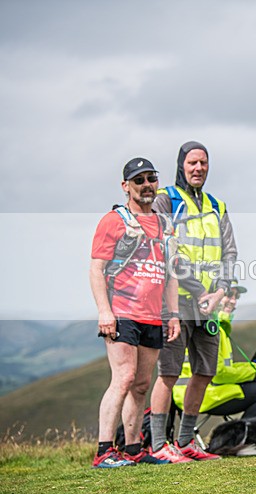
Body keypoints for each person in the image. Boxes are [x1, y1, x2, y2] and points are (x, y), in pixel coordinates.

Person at [147, 141, 238, 462]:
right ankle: (159, 445)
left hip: (210, 305)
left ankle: (185, 442)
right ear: (181, 166)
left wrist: (221, 290)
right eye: (192, 163)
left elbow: (230, 252)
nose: (198, 168)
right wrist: (200, 291)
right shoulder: (166, 200)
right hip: (175, 302)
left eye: (203, 163)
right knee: (169, 374)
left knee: (205, 372)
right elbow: (165, 247)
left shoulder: (217, 205)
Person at [89, 157, 181, 468]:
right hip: (122, 312)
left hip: (153, 316)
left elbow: (171, 273)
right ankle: (104, 451)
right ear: (126, 186)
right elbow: (96, 269)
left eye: (151, 179)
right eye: (138, 180)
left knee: (141, 384)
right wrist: (104, 311)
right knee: (124, 378)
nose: (146, 186)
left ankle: (132, 449)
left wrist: (174, 314)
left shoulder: (165, 225)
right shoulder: (113, 221)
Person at [172, 282, 256, 422]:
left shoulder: (213, 325)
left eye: (237, 296)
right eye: (229, 295)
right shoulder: (211, 328)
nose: (233, 301)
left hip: (193, 393)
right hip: (202, 395)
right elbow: (218, 374)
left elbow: (222, 369)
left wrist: (254, 369)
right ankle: (245, 438)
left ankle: (241, 437)